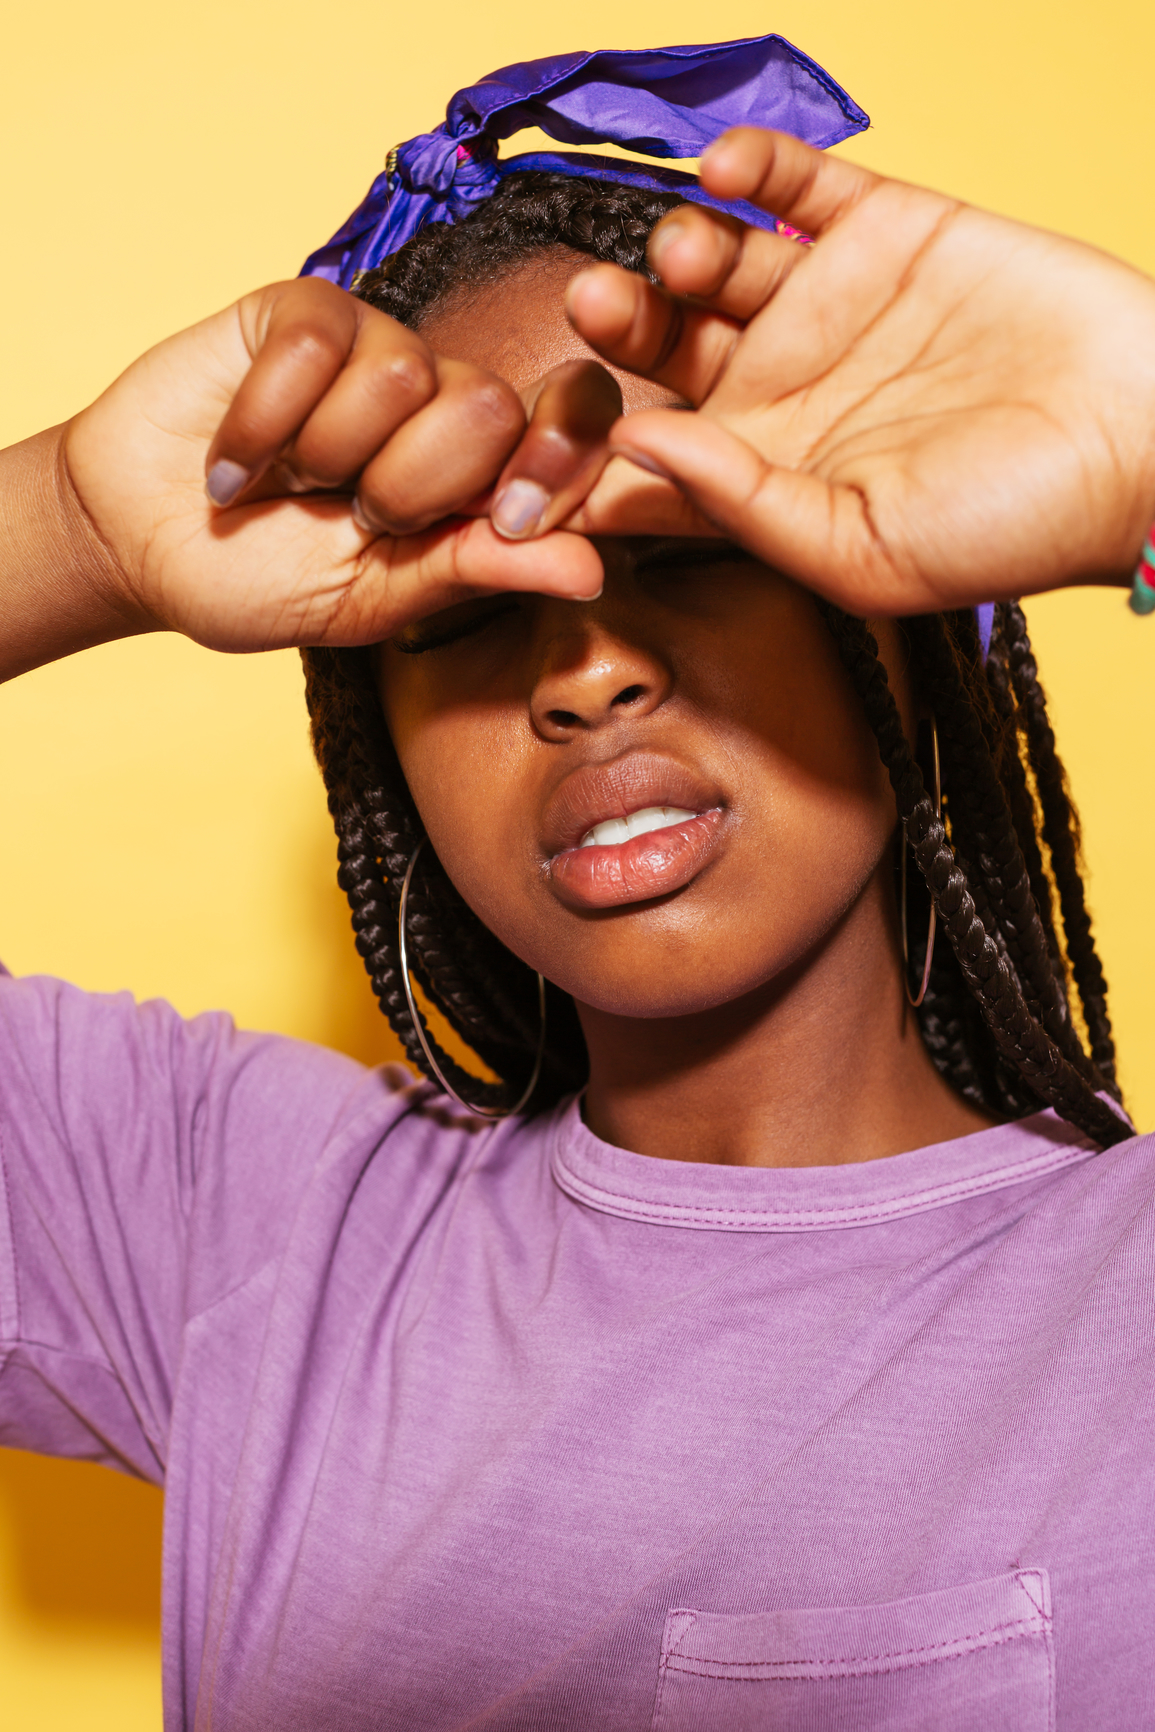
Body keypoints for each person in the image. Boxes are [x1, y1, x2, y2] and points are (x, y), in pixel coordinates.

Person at [2, 36, 1155, 1730]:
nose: (586, 673)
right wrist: (73, 535)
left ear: (908, 631)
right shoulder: (228, 1225)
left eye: (684, 555)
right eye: (459, 612)